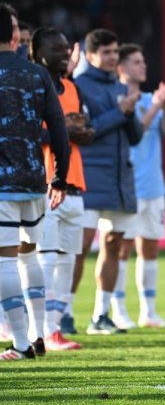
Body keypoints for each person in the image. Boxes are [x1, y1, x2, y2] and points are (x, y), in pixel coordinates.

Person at [0, 3, 70, 360]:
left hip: (2, 184)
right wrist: (60, 177)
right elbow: (59, 130)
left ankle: (20, 343)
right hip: (34, 180)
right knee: (29, 256)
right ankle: (39, 334)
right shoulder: (38, 74)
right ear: (15, 35)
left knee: (5, 261)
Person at [71, 28, 143, 335]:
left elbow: (135, 137)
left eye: (115, 51)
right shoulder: (78, 87)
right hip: (89, 178)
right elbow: (85, 132)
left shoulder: (119, 86)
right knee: (79, 248)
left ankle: (101, 315)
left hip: (119, 179)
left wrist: (129, 112)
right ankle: (63, 313)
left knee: (113, 246)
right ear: (90, 55)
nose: (113, 57)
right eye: (106, 52)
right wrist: (120, 111)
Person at [32, 27, 94, 351]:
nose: (65, 54)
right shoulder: (33, 86)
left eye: (66, 49)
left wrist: (82, 132)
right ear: (38, 53)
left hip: (75, 184)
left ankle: (54, 328)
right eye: (56, 49)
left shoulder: (72, 87)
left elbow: (84, 126)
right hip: (46, 184)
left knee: (69, 259)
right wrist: (63, 131)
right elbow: (27, 132)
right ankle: (40, 329)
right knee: (46, 259)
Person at [111, 43, 165, 329]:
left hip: (153, 186)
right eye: (137, 62)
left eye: (143, 61)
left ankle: (148, 312)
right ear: (121, 68)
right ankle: (118, 310)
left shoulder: (152, 99)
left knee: (149, 247)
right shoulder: (117, 98)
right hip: (127, 186)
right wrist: (155, 105)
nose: (143, 66)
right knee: (121, 248)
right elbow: (136, 131)